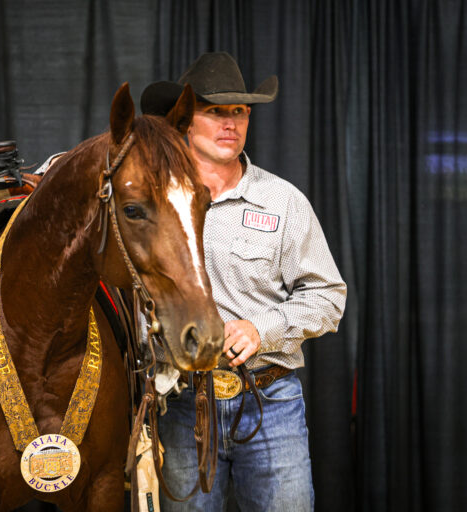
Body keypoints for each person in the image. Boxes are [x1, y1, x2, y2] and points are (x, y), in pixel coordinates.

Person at [140, 52, 347, 512]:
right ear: (184, 121)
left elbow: (329, 297)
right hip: (182, 405)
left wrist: (262, 328)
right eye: (215, 111)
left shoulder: (282, 201)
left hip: (269, 398)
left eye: (240, 112)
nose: (230, 123)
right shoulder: (151, 203)